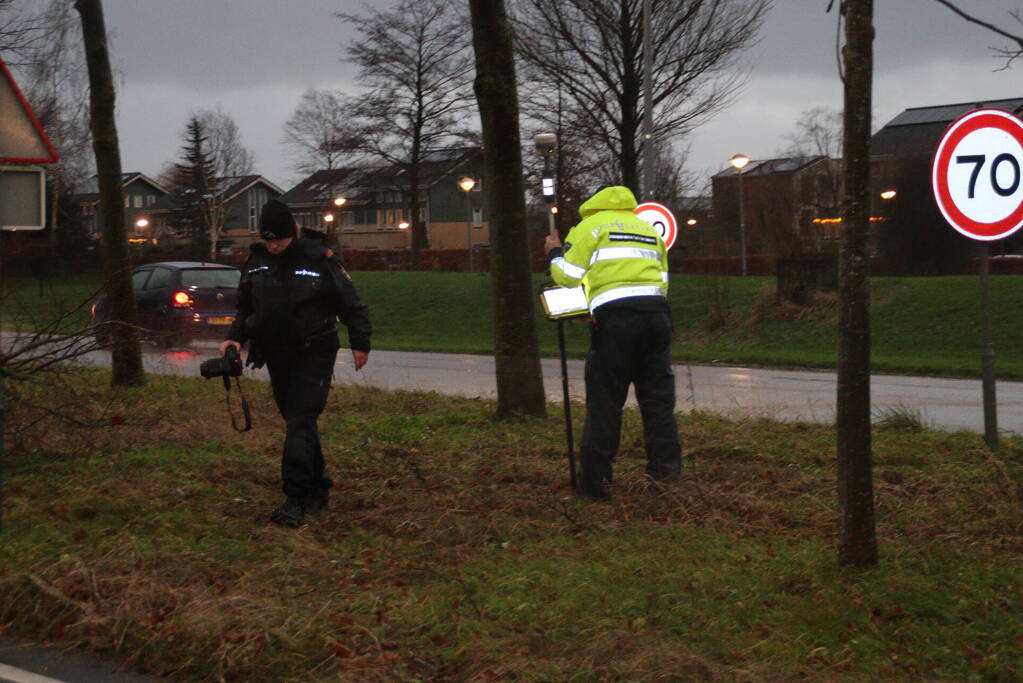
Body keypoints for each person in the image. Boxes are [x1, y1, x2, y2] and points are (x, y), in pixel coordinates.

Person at [219, 199, 372, 527]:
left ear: (293, 234)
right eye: (269, 239)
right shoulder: (256, 261)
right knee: (297, 421)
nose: (274, 246)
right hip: (275, 353)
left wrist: (361, 342)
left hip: (314, 351)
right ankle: (318, 488)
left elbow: (351, 302)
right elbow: (245, 307)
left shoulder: (319, 259)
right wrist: (235, 337)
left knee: (301, 419)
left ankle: (296, 497)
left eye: (280, 240)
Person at [544, 185, 681, 499]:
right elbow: (662, 279)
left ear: (594, 203)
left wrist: (553, 252)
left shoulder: (590, 227)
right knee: (659, 403)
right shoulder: (647, 229)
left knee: (605, 402)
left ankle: (595, 486)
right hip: (657, 317)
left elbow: (567, 275)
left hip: (617, 322)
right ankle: (666, 481)